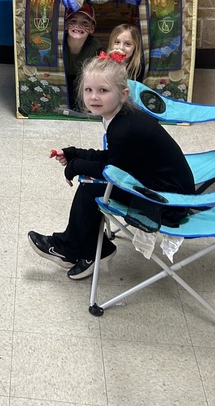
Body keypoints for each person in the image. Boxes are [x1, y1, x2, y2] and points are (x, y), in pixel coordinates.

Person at [28, 53, 194, 279]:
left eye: (103, 91)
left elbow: (112, 171)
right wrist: (74, 153)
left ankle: (70, 248)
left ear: (123, 94)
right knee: (92, 187)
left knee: (90, 191)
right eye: (89, 90)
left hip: (166, 200)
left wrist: (75, 166)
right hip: (153, 183)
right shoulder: (120, 116)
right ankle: (93, 250)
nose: (94, 97)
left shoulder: (125, 128)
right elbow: (116, 158)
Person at [63, 1, 101, 109]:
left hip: (80, 85)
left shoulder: (94, 47)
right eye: (73, 21)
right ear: (66, 25)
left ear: (92, 28)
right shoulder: (59, 43)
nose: (78, 25)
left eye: (85, 23)